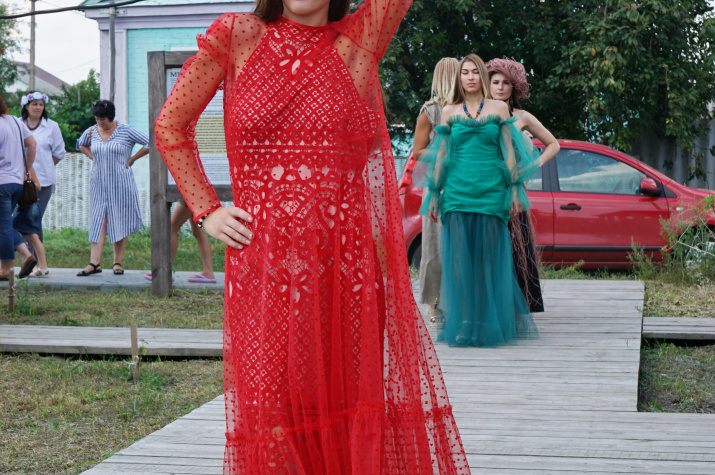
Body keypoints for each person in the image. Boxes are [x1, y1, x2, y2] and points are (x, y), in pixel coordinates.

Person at [154, 0, 469, 473]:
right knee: (273, 416)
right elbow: (171, 126)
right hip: (262, 269)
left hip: (345, 274)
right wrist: (206, 210)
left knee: (344, 409)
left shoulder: (359, 39)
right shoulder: (238, 35)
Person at [419, 53, 540, 348]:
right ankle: (464, 324)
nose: (470, 77)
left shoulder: (499, 108)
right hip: (457, 194)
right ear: (459, 78)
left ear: (481, 77)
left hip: (491, 194)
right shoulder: (448, 111)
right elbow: (442, 154)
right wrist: (434, 192)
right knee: (459, 264)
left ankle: (487, 324)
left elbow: (508, 152)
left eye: (475, 72)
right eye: (465, 72)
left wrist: (514, 188)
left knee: (488, 262)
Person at [487, 57, 560, 312]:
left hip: (512, 191)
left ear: (514, 86)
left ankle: (519, 305)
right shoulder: (479, 114)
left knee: (517, 248)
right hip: (485, 189)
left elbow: (553, 144)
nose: (500, 87)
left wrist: (532, 166)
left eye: (506, 83)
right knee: (489, 249)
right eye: (495, 82)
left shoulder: (522, 116)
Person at [76, 100, 149, 276]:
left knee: (119, 219)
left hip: (121, 183)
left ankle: (117, 262)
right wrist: (92, 156)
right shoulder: (92, 131)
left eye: (102, 119)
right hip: (98, 183)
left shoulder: (126, 130)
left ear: (111, 117)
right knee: (98, 220)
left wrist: (132, 159)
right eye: (97, 118)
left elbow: (150, 142)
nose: (100, 122)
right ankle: (94, 263)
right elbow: (80, 144)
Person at [412, 57, 459, 328]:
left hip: (466, 184)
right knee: (435, 247)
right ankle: (434, 303)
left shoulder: (470, 109)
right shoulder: (430, 111)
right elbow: (418, 151)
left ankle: (458, 302)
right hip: (438, 187)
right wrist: (444, 154)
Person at [13, 91, 66, 277]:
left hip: (42, 182)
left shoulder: (52, 126)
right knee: (27, 223)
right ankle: (35, 263)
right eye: (34, 104)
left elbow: (59, 152)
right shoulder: (16, 124)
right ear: (26, 106)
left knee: (33, 222)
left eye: (41, 104)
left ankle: (34, 264)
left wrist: (44, 167)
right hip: (18, 180)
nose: (38, 107)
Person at [0, 95, 39, 281]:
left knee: (3, 226)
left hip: (1, 183)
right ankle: (26, 255)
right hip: (17, 182)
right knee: (4, 223)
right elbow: (32, 144)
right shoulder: (15, 121)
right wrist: (26, 169)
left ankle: (6, 268)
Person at [143, 200, 217, 283]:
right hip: (200, 196)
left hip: (192, 195)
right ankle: (208, 272)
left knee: (171, 227)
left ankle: (164, 271)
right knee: (199, 233)